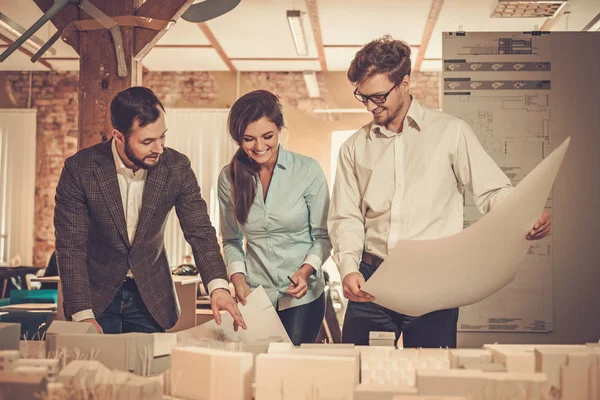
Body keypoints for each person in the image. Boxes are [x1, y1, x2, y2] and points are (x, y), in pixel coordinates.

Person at [328, 36, 552, 348]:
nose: (370, 106)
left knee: (431, 376)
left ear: (404, 83)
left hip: (434, 282)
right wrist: (349, 268)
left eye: (378, 97)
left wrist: (525, 216)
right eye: (362, 97)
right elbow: (346, 217)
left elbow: (491, 191)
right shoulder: (354, 148)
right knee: (360, 374)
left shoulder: (451, 132)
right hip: (371, 279)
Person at [54, 87, 245, 334]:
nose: (159, 148)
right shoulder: (79, 169)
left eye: (162, 137)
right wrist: (82, 315)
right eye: (147, 141)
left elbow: (200, 231)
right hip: (96, 295)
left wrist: (218, 287)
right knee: (96, 369)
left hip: (150, 296)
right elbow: (71, 247)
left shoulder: (176, 167)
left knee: (150, 370)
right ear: (119, 137)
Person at [218, 90, 331, 345]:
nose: (259, 147)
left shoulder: (307, 170)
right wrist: (238, 279)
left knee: (289, 371)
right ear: (238, 139)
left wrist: (306, 271)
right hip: (255, 296)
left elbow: (323, 236)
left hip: (302, 296)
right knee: (257, 370)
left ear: (280, 129)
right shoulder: (228, 178)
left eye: (268, 136)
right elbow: (232, 241)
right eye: (249, 139)